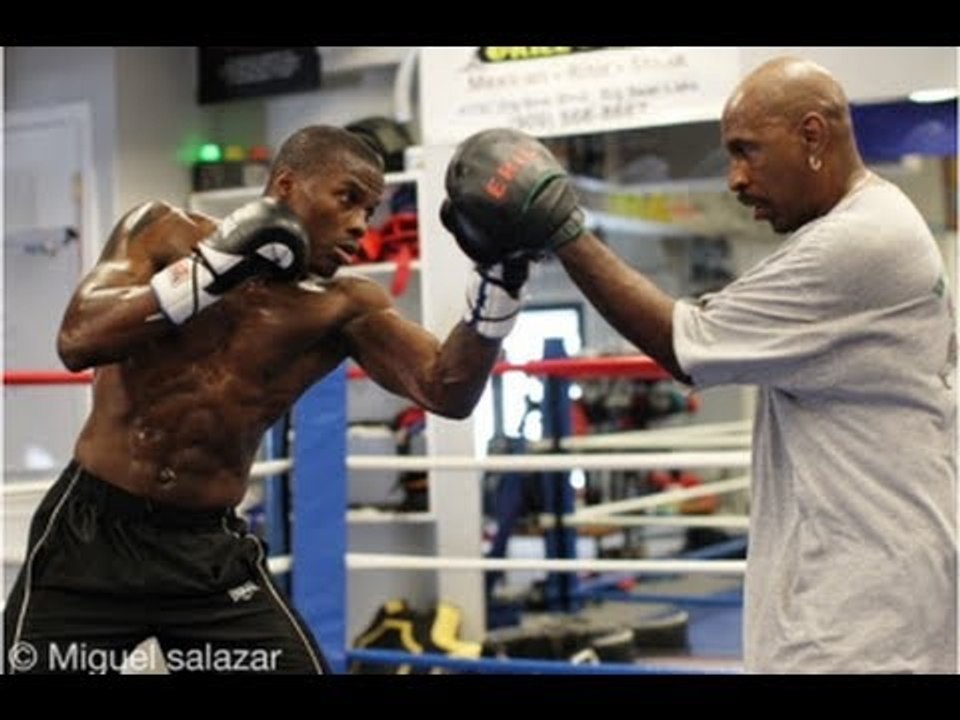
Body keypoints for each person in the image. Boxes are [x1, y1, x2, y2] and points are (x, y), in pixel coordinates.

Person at [439, 57, 957, 673]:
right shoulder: (880, 218)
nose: (734, 179)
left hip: (859, 620)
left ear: (813, 136)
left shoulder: (858, 241)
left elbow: (687, 343)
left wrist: (559, 224)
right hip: (879, 592)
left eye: (748, 151)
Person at [3, 125, 529, 674]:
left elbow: (446, 390)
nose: (358, 226)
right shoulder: (162, 232)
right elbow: (79, 338)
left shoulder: (343, 307)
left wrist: (500, 283)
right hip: (91, 540)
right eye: (347, 199)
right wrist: (214, 270)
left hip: (205, 555)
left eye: (369, 212)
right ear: (286, 185)